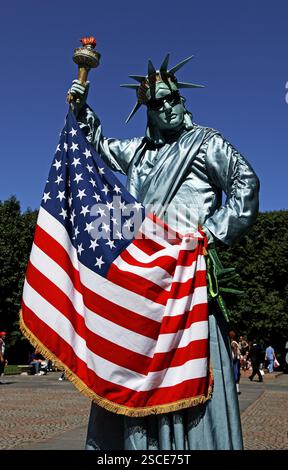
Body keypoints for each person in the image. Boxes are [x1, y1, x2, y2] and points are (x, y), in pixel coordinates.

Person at [67, 53, 259, 450]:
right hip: (141, 288)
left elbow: (246, 183)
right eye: (159, 102)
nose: (169, 107)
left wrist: (211, 235)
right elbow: (97, 144)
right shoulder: (136, 152)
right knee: (131, 380)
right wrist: (81, 105)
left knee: (194, 382)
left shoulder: (206, 143)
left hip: (189, 283)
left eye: (174, 99)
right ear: (147, 110)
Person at [229, 330, 241, 395]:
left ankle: (236, 389)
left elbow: (235, 352)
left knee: (235, 375)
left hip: (235, 360)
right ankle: (237, 389)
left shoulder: (233, 343)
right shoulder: (235, 342)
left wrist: (234, 360)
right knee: (236, 374)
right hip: (236, 360)